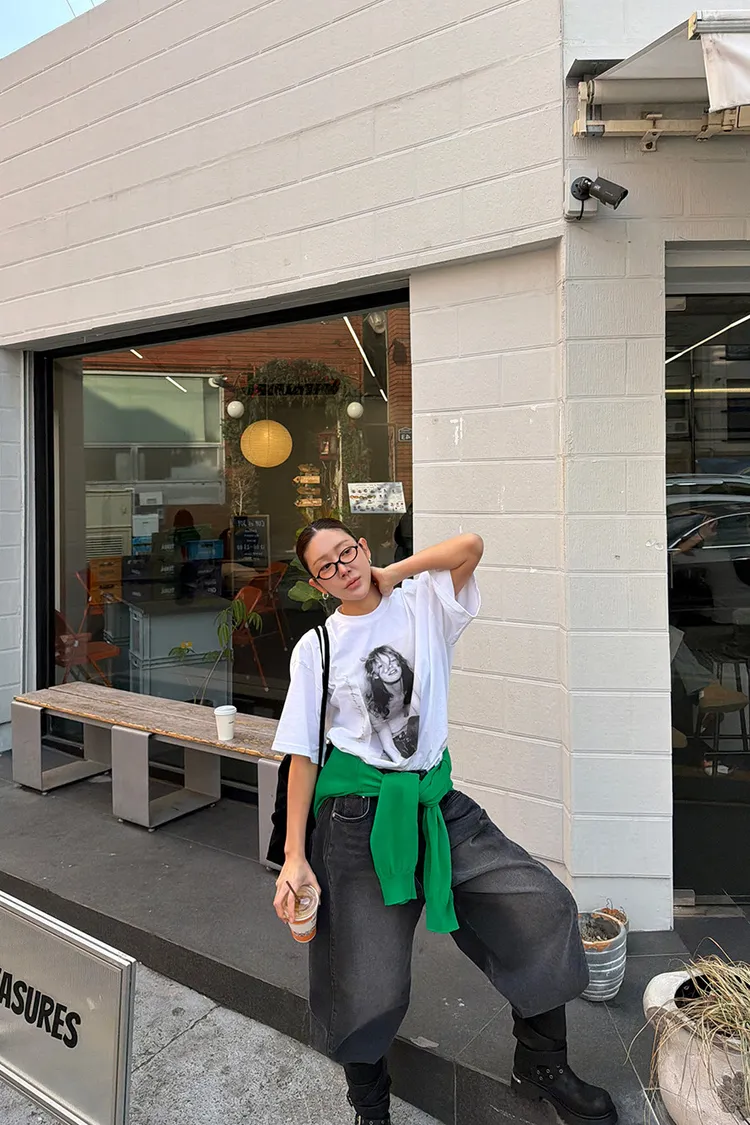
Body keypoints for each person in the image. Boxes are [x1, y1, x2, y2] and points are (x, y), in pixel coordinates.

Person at [271, 518, 617, 1125]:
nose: (342, 569)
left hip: (437, 803)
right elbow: (302, 756)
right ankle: (370, 1108)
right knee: (365, 976)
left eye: (346, 552)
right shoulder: (317, 648)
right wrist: (295, 856)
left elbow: (469, 547)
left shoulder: (423, 606)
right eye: (326, 567)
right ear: (316, 583)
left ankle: (541, 1063)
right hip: (359, 821)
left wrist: (394, 573)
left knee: (539, 905)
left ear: (364, 548)